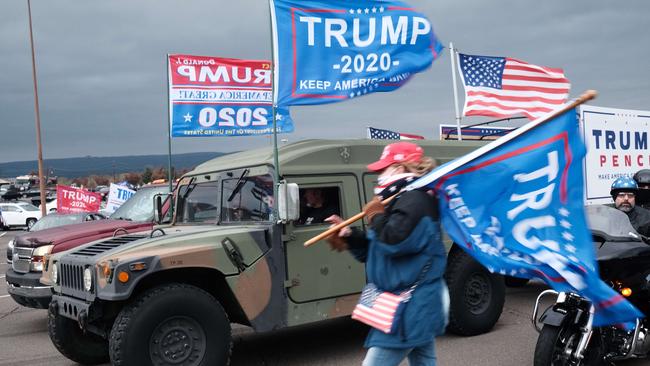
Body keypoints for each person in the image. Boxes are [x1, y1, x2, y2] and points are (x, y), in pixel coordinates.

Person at [325, 142, 448, 366]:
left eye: (384, 169)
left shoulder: (416, 200)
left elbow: (395, 241)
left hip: (408, 307)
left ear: (400, 168)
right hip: (411, 304)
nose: (379, 175)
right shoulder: (402, 199)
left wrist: (375, 217)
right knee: (424, 360)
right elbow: (377, 250)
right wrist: (350, 235)